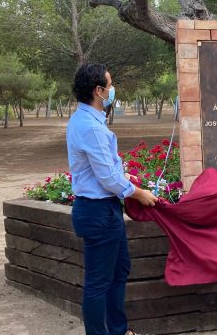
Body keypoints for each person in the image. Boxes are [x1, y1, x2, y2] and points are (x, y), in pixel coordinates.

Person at [66, 63, 157, 335]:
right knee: (98, 282)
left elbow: (105, 170)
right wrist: (139, 193)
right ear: (98, 90)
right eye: (110, 84)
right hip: (97, 212)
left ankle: (118, 329)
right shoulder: (90, 127)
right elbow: (107, 178)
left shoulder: (89, 121)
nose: (112, 89)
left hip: (105, 210)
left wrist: (124, 175)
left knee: (119, 272)